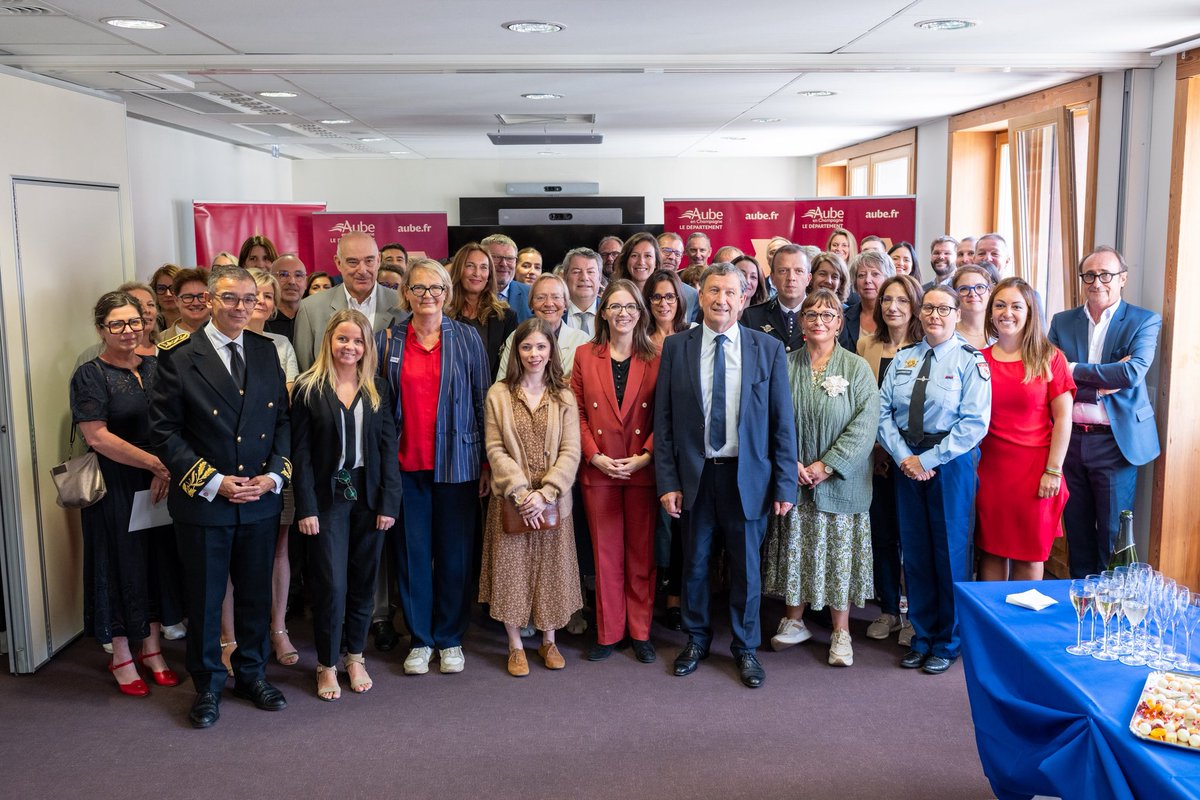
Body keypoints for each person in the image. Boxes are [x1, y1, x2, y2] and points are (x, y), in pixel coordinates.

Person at [149, 265, 292, 728]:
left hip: (258, 498)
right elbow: (165, 432)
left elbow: (283, 424)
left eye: (249, 299)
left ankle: (251, 675)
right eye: (231, 298)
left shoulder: (266, 352)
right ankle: (208, 685)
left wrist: (273, 477)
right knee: (206, 600)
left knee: (254, 596)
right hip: (206, 499)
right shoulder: (175, 355)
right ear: (211, 300)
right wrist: (214, 481)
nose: (240, 307)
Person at [655, 263, 798, 688]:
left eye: (730, 292)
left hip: (747, 477)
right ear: (699, 296)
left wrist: (784, 483)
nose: (721, 299)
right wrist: (668, 482)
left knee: (746, 569)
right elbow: (664, 423)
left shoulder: (766, 349)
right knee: (695, 565)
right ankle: (696, 639)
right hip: (696, 477)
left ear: (743, 298)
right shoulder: (677, 347)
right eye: (713, 290)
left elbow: (782, 422)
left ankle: (745, 648)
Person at [377, 259, 490, 676]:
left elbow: (482, 402)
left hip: (457, 464)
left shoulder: (467, 338)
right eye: (419, 288)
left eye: (436, 289)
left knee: (455, 555)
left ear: (447, 292)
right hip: (406, 467)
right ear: (406, 292)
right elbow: (381, 408)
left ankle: (450, 637)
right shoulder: (387, 340)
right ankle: (421, 639)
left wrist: (485, 464)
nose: (428, 296)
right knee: (412, 554)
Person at [72, 291, 182, 697]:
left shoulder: (157, 366)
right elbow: (96, 435)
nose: (128, 330)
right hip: (115, 484)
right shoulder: (91, 375)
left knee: (156, 563)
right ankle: (121, 654)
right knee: (120, 565)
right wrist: (154, 463)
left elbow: (176, 420)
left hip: (160, 480)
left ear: (146, 322)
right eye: (116, 324)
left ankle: (152, 650)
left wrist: (166, 466)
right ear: (101, 329)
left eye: (134, 322)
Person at [878, 285, 991, 675]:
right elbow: (882, 412)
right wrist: (905, 457)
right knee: (917, 552)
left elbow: (975, 423)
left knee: (950, 553)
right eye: (928, 308)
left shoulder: (970, 361)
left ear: (958, 314)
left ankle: (948, 641)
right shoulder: (905, 358)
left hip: (950, 462)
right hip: (907, 461)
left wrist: (927, 459)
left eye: (944, 309)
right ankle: (922, 636)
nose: (934, 316)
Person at [763, 289, 880, 666]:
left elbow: (866, 424)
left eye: (827, 315)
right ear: (801, 323)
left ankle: (841, 632)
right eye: (811, 315)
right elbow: (770, 418)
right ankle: (794, 621)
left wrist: (826, 465)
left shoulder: (856, 367)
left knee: (838, 558)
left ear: (838, 323)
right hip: (795, 479)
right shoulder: (783, 363)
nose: (818, 321)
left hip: (840, 483)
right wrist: (791, 462)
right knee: (796, 549)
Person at [291, 309, 401, 700]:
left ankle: (355, 656)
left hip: (368, 496)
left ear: (367, 346)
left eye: (357, 340)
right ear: (329, 341)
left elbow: (389, 450)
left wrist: (389, 502)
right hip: (326, 498)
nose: (349, 347)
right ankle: (326, 664)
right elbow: (300, 454)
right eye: (343, 339)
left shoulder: (379, 389)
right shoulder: (308, 388)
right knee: (331, 584)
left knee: (363, 583)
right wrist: (305, 507)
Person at [1048, 246, 1162, 578]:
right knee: (1077, 534)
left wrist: (1073, 369)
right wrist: (1099, 382)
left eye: (1106, 274)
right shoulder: (1062, 321)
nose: (1097, 281)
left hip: (1115, 443)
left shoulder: (1144, 320)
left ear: (1122, 279)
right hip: (1070, 442)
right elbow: (1052, 377)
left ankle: (1113, 613)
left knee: (1113, 536)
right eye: (1090, 275)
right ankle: (1082, 607)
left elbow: (1131, 374)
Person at [481, 319, 583, 677]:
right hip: (512, 499)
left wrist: (548, 493)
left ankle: (549, 640)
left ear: (551, 351)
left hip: (554, 500)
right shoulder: (498, 394)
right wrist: (524, 493)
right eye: (527, 347)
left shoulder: (564, 395)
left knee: (551, 573)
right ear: (516, 351)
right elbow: (494, 448)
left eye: (541, 347)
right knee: (512, 572)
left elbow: (571, 451)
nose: (534, 354)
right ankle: (515, 645)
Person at [572, 280, 661, 663]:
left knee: (641, 556)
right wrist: (593, 455)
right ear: (603, 312)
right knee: (605, 555)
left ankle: (640, 631)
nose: (623, 313)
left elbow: (669, 414)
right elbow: (573, 411)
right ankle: (609, 632)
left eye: (630, 306)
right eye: (615, 306)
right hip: (600, 470)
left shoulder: (658, 355)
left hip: (641, 469)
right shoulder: (583, 355)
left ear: (640, 313)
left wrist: (646, 455)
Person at [977, 278, 1076, 581]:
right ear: (991, 312)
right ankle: (991, 626)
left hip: (1036, 472)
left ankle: (1020, 628)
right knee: (991, 551)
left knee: (1030, 556)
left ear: (1031, 312)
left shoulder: (1049, 358)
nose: (1008, 313)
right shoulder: (979, 359)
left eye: (1017, 306)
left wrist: (1054, 471)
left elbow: (1064, 419)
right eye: (1000, 305)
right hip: (990, 470)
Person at [856, 274, 923, 645]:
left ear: (914, 305)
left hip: (911, 458)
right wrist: (877, 449)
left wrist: (897, 452)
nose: (892, 307)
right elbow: (864, 403)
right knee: (881, 536)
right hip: (875, 456)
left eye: (901, 300)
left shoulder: (925, 347)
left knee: (911, 537)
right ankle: (886, 609)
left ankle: (913, 612)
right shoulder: (867, 345)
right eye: (886, 300)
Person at [242, 269, 300, 668]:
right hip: (232, 466)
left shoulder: (281, 344)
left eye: (267, 294)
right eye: (253, 294)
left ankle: (278, 628)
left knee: (279, 548)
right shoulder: (212, 346)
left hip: (276, 461)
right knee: (232, 555)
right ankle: (231, 637)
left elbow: (290, 401)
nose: (260, 301)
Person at [642, 269, 692, 630]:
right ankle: (644, 598)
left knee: (677, 528)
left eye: (669, 297)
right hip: (639, 446)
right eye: (656, 297)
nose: (663, 303)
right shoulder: (637, 338)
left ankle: (675, 598)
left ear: (680, 300)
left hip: (681, 446)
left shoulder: (692, 337)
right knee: (648, 528)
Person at [293, 232, 405, 371]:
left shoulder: (403, 305)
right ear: (338, 263)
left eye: (369, 261)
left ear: (378, 260)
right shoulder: (311, 309)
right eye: (353, 262)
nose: (362, 270)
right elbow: (305, 374)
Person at [495, 273, 590, 381]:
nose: (549, 303)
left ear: (565, 303)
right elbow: (502, 385)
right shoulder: (516, 337)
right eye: (540, 298)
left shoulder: (582, 341)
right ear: (531, 304)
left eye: (556, 297)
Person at [446, 242, 518, 378]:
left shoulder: (506, 316)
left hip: (490, 394)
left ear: (489, 274)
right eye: (470, 266)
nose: (477, 273)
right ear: (458, 270)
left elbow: (510, 366)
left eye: (483, 267)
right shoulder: (442, 314)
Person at [615, 232, 700, 322]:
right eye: (666, 251)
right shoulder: (615, 294)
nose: (641, 262)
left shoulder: (690, 294)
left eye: (648, 256)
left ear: (656, 260)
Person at [742, 244, 809, 355]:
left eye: (799, 271)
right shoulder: (752, 317)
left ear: (808, 278)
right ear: (772, 278)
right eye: (783, 271)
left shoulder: (824, 317)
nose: (791, 277)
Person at [840, 251, 894, 352]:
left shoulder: (897, 316)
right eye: (861, 275)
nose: (867, 280)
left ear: (888, 280)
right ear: (855, 283)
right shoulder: (843, 317)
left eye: (875, 274)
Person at [482, 233, 532, 322]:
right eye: (496, 257)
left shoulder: (530, 294)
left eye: (510, 258)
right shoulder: (471, 294)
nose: (503, 264)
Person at [561, 247, 603, 336]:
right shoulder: (554, 313)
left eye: (590, 272)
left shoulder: (611, 313)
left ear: (600, 278)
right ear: (565, 276)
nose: (584, 277)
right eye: (576, 272)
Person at [952, 264, 996, 350]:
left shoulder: (1001, 333)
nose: (972, 294)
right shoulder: (948, 334)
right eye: (964, 289)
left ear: (990, 292)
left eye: (980, 287)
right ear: (955, 295)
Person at [160, 267, 210, 340]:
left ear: (211, 298)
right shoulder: (160, 341)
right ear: (176, 300)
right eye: (188, 297)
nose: (196, 303)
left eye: (201, 296)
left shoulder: (228, 334)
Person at [265, 254, 306, 341]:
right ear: (271, 280)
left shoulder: (315, 320)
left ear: (306, 283)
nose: (292, 281)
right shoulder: (262, 320)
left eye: (298, 275)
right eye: (283, 275)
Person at [150, 264, 181, 331]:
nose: (168, 294)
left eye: (173, 288)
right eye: (161, 289)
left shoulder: (195, 321)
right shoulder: (149, 326)